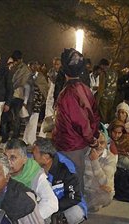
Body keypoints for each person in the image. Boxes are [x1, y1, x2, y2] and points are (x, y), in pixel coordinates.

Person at [53, 48, 100, 192]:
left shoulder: (68, 93)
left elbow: (80, 121)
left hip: (70, 143)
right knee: (73, 177)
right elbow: (95, 114)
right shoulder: (84, 88)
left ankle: (74, 210)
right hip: (79, 143)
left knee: (71, 179)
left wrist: (91, 138)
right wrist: (93, 135)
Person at [33, 137, 88, 224]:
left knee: (76, 213)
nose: (32, 157)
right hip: (49, 203)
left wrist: (52, 208)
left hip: (68, 205)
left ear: (46, 158)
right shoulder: (35, 164)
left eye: (34, 155)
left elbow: (74, 198)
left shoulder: (67, 168)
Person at [4, 138, 58, 221]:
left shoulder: (35, 174)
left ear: (24, 159)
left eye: (13, 158)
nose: (7, 162)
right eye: (5, 157)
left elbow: (51, 203)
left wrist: (28, 221)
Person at [84, 131, 118, 212]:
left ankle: (82, 209)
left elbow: (104, 182)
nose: (99, 145)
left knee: (105, 196)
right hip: (86, 189)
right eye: (96, 143)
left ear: (106, 143)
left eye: (102, 142)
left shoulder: (110, 158)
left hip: (99, 192)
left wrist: (94, 161)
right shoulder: (85, 154)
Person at [1, 50, 31, 145]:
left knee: (16, 118)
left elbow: (22, 82)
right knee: (5, 117)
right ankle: (5, 138)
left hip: (18, 96)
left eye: (17, 61)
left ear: (20, 59)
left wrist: (11, 86)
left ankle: (15, 139)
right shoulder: (10, 67)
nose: (15, 62)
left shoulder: (25, 69)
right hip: (8, 95)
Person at [22, 61, 48, 145]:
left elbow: (44, 89)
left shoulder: (41, 77)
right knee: (28, 121)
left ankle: (31, 139)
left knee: (33, 121)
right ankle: (26, 139)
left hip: (37, 102)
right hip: (28, 102)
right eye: (30, 67)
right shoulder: (27, 76)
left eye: (34, 66)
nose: (32, 68)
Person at [96, 58, 118, 124]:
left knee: (103, 117)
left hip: (104, 98)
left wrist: (97, 100)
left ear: (102, 65)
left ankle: (103, 131)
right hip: (112, 98)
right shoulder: (115, 73)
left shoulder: (103, 73)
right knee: (109, 116)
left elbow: (101, 88)